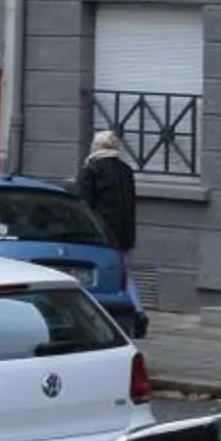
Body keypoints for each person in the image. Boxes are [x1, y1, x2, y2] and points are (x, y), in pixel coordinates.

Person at [79, 126, 146, 333]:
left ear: (96, 147)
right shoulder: (125, 170)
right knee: (125, 274)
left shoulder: (91, 170)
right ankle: (137, 311)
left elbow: (84, 205)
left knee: (93, 276)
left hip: (101, 235)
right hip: (125, 233)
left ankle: (95, 316)